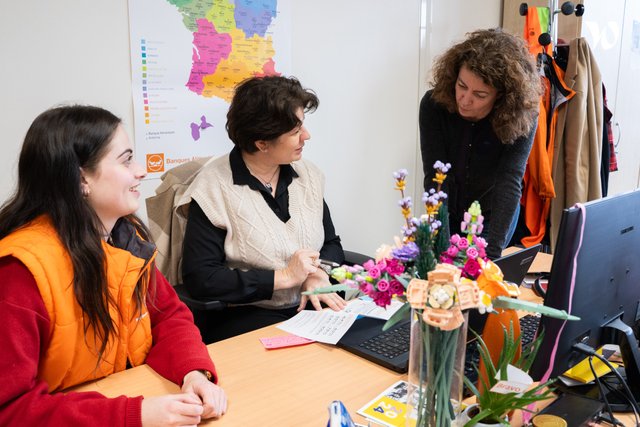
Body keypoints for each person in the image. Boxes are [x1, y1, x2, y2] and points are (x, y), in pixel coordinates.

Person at [0, 105, 227, 426]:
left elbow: (168, 316)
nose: (140, 171)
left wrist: (194, 373)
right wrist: (132, 415)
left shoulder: (125, 236)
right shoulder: (19, 271)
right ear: (81, 179)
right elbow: (9, 410)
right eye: (126, 160)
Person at [181, 75, 346, 342]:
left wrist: (316, 274)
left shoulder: (308, 176)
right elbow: (202, 278)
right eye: (295, 132)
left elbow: (331, 243)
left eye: (302, 126)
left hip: (312, 308)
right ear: (262, 143)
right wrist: (283, 277)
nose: (307, 136)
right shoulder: (214, 188)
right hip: (250, 317)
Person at [419, 28, 541, 259]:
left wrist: (492, 256)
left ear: (502, 96)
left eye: (480, 94)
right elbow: (436, 179)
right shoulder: (434, 105)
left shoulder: (521, 115)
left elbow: (510, 180)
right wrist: (443, 247)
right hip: (448, 209)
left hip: (493, 213)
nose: (465, 100)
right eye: (462, 86)